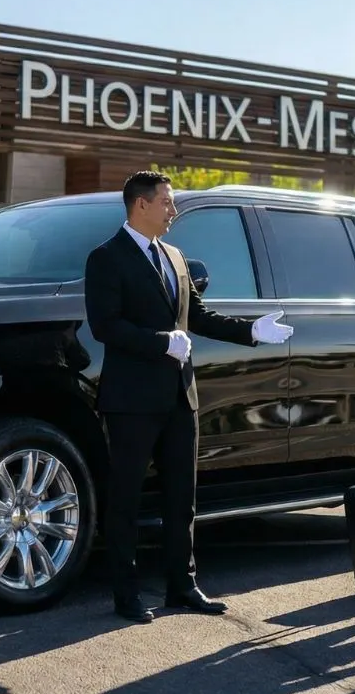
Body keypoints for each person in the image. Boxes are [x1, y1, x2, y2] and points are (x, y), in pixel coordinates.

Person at [84, 170, 295, 624]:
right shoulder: (106, 258)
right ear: (140, 204)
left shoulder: (175, 257)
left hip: (180, 398)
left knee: (183, 499)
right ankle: (127, 595)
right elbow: (106, 326)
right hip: (132, 402)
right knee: (125, 499)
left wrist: (252, 331)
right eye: (167, 202)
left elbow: (196, 315)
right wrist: (160, 342)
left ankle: (183, 586)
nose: (173, 211)